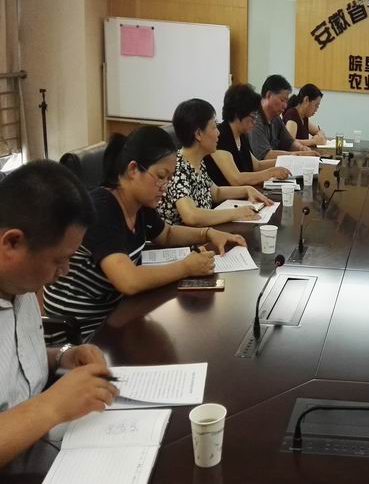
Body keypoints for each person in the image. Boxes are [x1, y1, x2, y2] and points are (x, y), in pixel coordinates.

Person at [44, 125, 246, 341]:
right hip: (83, 332)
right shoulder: (101, 208)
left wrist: (208, 233)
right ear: (133, 170)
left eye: (169, 178)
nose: (165, 187)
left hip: (118, 315)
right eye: (161, 176)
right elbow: (128, 280)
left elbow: (166, 234)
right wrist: (186, 267)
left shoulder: (139, 203)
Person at [0, 161, 119, 466]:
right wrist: (52, 405)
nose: (64, 271)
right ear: (12, 242)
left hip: (44, 450)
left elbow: (14, 365)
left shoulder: (22, 286)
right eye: (58, 260)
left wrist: (64, 355)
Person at [157, 98, 273, 226]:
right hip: (183, 237)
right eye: (214, 127)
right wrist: (236, 213)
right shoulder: (177, 168)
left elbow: (216, 192)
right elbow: (191, 216)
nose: (218, 132)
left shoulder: (197, 161)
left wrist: (247, 189)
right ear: (198, 134)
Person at [204, 83, 291, 187]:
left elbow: (257, 165)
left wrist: (286, 161)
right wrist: (271, 173)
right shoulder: (221, 137)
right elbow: (236, 179)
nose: (254, 122)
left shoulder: (240, 135)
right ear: (238, 114)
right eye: (252, 117)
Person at [249, 75, 321, 160]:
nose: (285, 106)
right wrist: (298, 154)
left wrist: (301, 148)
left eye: (286, 101)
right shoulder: (254, 120)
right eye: (282, 100)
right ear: (269, 95)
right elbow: (266, 155)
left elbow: (289, 142)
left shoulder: (276, 118)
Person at [283, 83, 327, 147]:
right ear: (306, 100)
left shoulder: (304, 117)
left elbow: (319, 131)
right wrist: (313, 141)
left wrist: (319, 137)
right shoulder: (292, 115)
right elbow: (289, 142)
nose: (317, 109)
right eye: (316, 105)